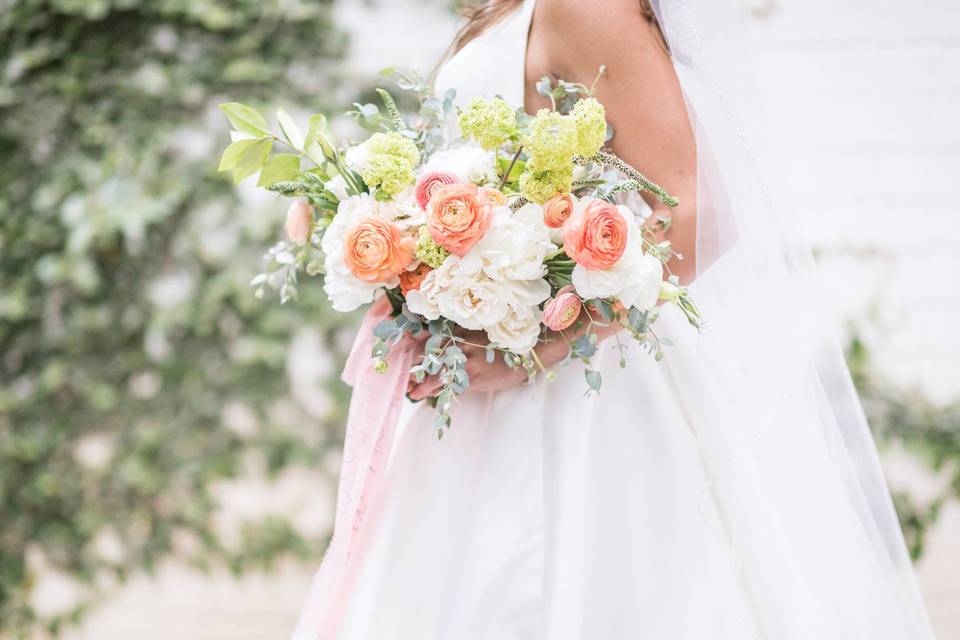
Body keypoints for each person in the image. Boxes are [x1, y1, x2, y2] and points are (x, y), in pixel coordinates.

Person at [293, 2, 936, 638]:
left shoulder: (585, 4)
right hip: (484, 389)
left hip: (584, 392)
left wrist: (543, 342)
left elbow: (697, 216)